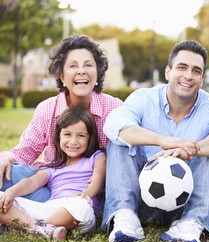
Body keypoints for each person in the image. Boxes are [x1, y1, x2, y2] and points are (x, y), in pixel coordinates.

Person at [102, 40, 209, 242]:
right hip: (142, 201)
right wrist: (162, 140)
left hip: (185, 204)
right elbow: (113, 124)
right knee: (120, 140)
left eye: (196, 71)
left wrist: (192, 148)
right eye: (182, 67)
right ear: (168, 71)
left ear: (202, 79)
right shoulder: (143, 98)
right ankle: (125, 219)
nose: (188, 76)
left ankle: (192, 224)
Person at [0, 34, 122, 202]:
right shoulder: (47, 108)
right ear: (62, 76)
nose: (81, 71)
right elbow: (26, 150)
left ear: (98, 73)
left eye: (88, 65)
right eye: (72, 66)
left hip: (95, 190)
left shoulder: (114, 108)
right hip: (50, 186)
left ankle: (26, 207)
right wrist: (5, 159)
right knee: (5, 174)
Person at [0, 106, 106, 240]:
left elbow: (98, 179)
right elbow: (31, 182)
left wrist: (87, 194)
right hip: (50, 208)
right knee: (2, 197)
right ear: (59, 136)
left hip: (79, 209)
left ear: (90, 138)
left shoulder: (97, 157)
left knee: (79, 204)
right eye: (67, 134)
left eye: (81, 135)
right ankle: (41, 229)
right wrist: (12, 192)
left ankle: (30, 227)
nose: (73, 141)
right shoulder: (53, 166)